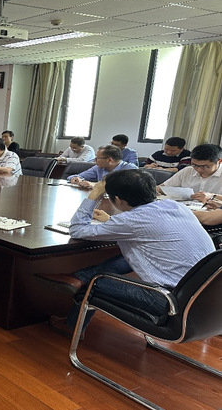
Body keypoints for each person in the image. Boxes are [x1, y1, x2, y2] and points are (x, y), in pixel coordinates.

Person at [35, 169, 214, 338]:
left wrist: (94, 195)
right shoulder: (176, 206)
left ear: (119, 200)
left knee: (93, 284)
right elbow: (149, 227)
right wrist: (113, 221)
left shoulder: (130, 220)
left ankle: (72, 326)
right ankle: (78, 276)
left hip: (171, 302)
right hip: (207, 298)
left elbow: (77, 230)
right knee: (127, 256)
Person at [67, 145, 137, 189]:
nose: (94, 160)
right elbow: (75, 176)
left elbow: (125, 189)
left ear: (110, 160)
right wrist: (75, 179)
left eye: (97, 158)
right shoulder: (99, 168)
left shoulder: (130, 169)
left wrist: (95, 185)